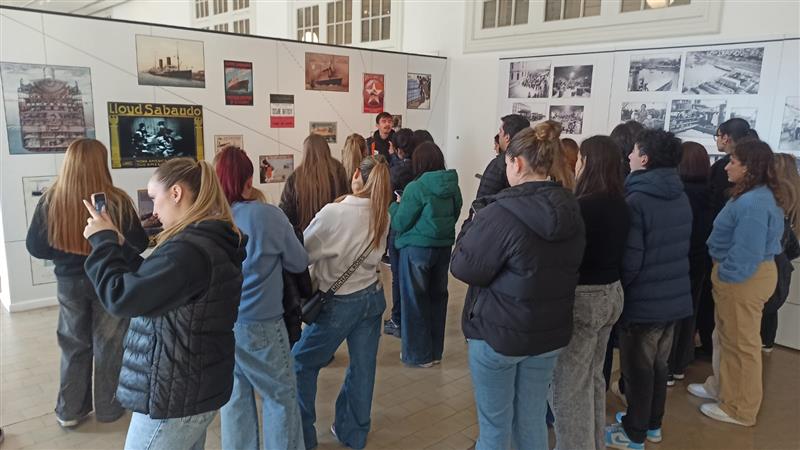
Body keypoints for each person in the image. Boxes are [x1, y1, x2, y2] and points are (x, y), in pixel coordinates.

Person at [81, 158, 246, 449]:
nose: (154, 212)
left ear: (177, 193)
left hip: (175, 395)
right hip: (189, 387)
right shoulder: (202, 240)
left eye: (154, 199)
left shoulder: (188, 251)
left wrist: (103, 244)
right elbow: (154, 284)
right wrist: (118, 245)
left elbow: (121, 297)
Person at [451, 127, 585, 450]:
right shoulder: (572, 209)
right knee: (532, 420)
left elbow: (463, 266)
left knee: (495, 429)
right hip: (547, 334)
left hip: (499, 333)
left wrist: (472, 221)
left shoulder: (500, 214)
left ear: (518, 164)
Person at [25, 138, 148, 428]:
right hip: (110, 280)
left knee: (73, 344)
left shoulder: (50, 199)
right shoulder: (116, 200)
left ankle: (69, 411)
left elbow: (36, 247)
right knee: (110, 344)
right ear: (102, 164)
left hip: (69, 283)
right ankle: (109, 408)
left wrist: (63, 250)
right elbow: (139, 244)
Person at [292, 156, 392, 450]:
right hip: (372, 298)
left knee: (301, 363)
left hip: (337, 303)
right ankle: (354, 431)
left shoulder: (334, 213)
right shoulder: (382, 213)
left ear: (356, 178)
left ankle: (304, 436)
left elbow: (302, 255)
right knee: (363, 368)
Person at [687, 139, 786, 427]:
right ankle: (722, 388)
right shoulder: (753, 195)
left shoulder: (754, 202)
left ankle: (740, 408)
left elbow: (747, 252)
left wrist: (726, 276)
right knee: (726, 337)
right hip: (742, 275)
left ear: (750, 168)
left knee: (742, 345)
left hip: (743, 278)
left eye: (733, 161)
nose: (726, 166)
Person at [215, 147, 307, 450]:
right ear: (250, 178)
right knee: (279, 396)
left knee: (234, 399)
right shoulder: (268, 215)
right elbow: (298, 262)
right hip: (263, 323)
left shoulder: (210, 219)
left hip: (222, 323)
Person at [605, 129, 693, 450]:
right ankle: (653, 425)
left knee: (638, 370)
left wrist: (618, 294)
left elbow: (631, 260)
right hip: (673, 299)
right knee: (659, 366)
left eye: (634, 152)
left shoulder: (638, 199)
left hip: (644, 302)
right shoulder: (677, 193)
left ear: (645, 158)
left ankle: (634, 432)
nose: (628, 156)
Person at [551, 135, 628, 450]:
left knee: (568, 387)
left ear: (589, 163)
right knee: (594, 379)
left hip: (585, 298)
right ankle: (593, 442)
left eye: (580, 159)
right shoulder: (620, 202)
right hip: (612, 295)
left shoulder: (583, 206)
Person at [390, 142, 462, 367]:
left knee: (414, 301)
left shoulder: (415, 187)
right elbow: (456, 211)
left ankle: (418, 355)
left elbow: (401, 222)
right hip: (443, 248)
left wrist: (394, 206)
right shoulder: (453, 186)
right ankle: (435, 353)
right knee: (437, 299)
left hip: (416, 250)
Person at [667, 142, 713, 385]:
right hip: (700, 260)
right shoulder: (709, 191)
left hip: (680, 260)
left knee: (671, 317)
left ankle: (667, 366)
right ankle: (680, 365)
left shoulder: (680, 193)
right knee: (689, 312)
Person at [761, 153, 800, 351]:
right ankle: (767, 341)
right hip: (783, 264)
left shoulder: (772, 201)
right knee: (772, 305)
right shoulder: (793, 200)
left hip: (770, 262)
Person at [280, 134, 349, 233]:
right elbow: (346, 202)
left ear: (305, 152)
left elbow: (285, 213)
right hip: (335, 234)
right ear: (326, 149)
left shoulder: (296, 177)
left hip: (305, 238)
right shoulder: (338, 170)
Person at [383, 128, 416, 338]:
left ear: (395, 149)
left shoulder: (396, 172)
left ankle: (397, 319)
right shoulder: (421, 168)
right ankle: (407, 317)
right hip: (416, 229)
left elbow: (388, 202)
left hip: (398, 227)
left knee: (397, 276)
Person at [475, 114, 530, 199]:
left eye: (500, 131)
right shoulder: (532, 161)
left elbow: (482, 201)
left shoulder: (498, 164)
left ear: (507, 137)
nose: (499, 135)